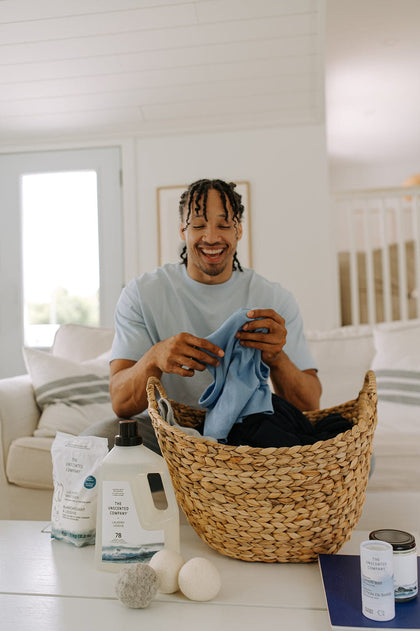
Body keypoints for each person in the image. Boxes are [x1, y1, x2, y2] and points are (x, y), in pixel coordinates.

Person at [109, 178, 321, 428]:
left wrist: (276, 358)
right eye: (198, 225)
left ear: (238, 230)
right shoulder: (141, 294)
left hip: (247, 430)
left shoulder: (273, 300)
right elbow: (121, 404)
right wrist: (154, 358)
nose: (211, 237)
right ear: (182, 231)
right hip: (166, 430)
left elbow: (309, 406)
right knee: (103, 437)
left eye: (223, 225)